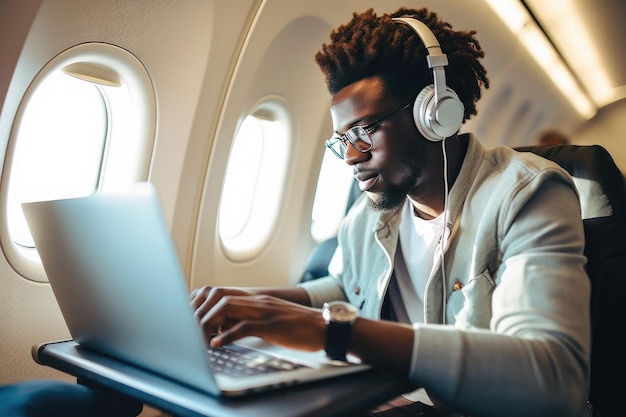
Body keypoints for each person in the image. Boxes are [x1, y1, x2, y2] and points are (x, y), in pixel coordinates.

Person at [190, 7, 591, 417]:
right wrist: (247, 304)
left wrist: (337, 332)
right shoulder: (369, 216)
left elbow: (552, 380)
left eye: (364, 131)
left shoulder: (527, 193)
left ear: (433, 113)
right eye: (342, 139)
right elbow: (347, 289)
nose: (350, 156)